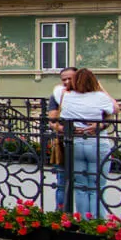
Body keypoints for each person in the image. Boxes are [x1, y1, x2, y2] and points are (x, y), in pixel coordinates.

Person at [59, 68, 116, 218]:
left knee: (80, 186)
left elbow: (63, 118)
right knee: (97, 186)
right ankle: (97, 223)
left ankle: (83, 220)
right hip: (97, 142)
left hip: (76, 142)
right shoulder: (100, 97)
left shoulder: (68, 97)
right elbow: (114, 109)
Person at [47, 66, 77, 209]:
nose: (66, 81)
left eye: (70, 78)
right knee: (61, 181)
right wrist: (65, 129)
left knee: (86, 183)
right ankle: (61, 213)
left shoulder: (88, 94)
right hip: (63, 143)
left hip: (84, 141)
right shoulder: (57, 94)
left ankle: (86, 218)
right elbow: (52, 119)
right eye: (64, 79)